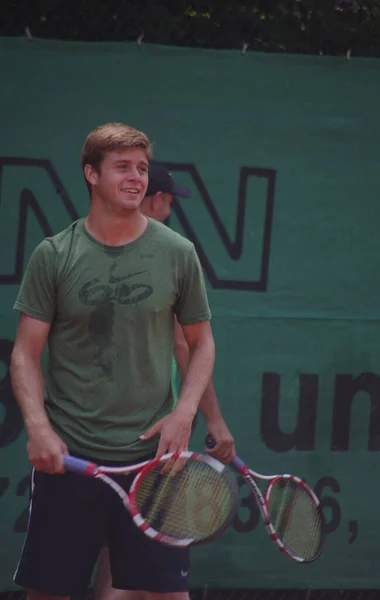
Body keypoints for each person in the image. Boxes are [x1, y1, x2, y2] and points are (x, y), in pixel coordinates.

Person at [9, 123, 228, 600]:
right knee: (50, 592)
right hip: (70, 459)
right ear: (91, 173)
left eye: (142, 169)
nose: (136, 178)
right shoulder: (54, 255)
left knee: (166, 596)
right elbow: (25, 352)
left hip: (153, 462)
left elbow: (202, 342)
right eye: (122, 167)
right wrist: (38, 427)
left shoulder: (178, 253)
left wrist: (184, 412)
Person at [92, 161, 235, 600]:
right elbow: (186, 347)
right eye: (170, 202)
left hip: (97, 430)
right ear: (156, 200)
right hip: (154, 439)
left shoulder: (95, 251)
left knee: (112, 561)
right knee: (167, 588)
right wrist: (214, 421)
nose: (171, 211)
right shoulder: (170, 258)